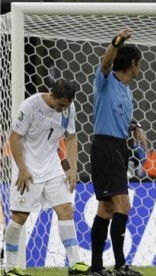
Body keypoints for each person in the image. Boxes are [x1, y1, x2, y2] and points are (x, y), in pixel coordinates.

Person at [5, 80, 89, 276]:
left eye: (66, 105)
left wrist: (72, 168)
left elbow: (70, 137)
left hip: (52, 167)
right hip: (27, 168)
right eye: (60, 105)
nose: (62, 110)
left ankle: (75, 263)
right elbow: (14, 138)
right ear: (51, 95)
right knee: (19, 217)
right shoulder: (31, 106)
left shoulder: (69, 109)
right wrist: (22, 169)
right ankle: (8, 267)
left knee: (66, 209)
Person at [89, 28, 145, 276]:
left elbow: (121, 115)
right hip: (106, 147)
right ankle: (120, 265)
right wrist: (117, 41)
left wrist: (136, 126)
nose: (139, 68)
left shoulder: (126, 90)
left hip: (119, 147)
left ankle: (96, 268)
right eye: (139, 64)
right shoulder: (105, 81)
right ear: (133, 64)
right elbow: (105, 62)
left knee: (107, 209)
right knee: (123, 204)